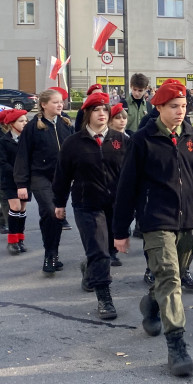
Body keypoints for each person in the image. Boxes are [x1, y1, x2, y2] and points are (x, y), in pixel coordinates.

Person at [114, 80, 193, 376]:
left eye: (184, 106)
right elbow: (127, 187)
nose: (181, 112)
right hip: (155, 219)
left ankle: (152, 304)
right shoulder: (143, 139)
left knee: (172, 277)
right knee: (170, 277)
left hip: (187, 221)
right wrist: (120, 231)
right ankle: (177, 345)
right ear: (158, 107)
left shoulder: (192, 136)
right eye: (174, 107)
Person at [53, 91, 128, 319]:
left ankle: (90, 271)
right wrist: (59, 203)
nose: (102, 114)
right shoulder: (73, 143)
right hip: (87, 204)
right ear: (87, 114)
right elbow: (62, 175)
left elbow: (130, 174)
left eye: (105, 109)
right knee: (99, 252)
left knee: (109, 250)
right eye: (96, 110)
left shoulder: (120, 140)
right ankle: (104, 298)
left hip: (114, 205)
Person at [14, 88, 73, 274]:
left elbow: (75, 153)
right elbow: (22, 156)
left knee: (53, 216)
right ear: (44, 104)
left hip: (61, 178)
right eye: (55, 102)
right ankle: (50, 255)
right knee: (51, 211)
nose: (60, 105)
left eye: (61, 102)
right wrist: (21, 184)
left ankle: (53, 254)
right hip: (40, 176)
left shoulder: (66, 124)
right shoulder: (32, 127)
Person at [0, 109, 30, 255]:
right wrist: (18, 172)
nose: (25, 123)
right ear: (11, 124)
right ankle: (12, 241)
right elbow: (2, 163)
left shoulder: (28, 139)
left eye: (26, 120)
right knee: (15, 208)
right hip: (10, 180)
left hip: (25, 180)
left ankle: (20, 238)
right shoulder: (4, 141)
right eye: (21, 121)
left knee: (22, 209)